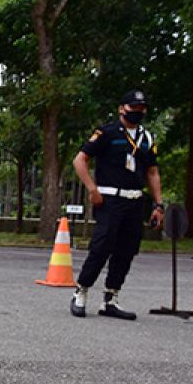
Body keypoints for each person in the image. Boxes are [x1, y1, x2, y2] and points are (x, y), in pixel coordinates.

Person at [70, 89, 165, 319]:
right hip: (110, 199)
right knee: (101, 247)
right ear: (122, 108)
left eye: (142, 108)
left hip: (134, 200)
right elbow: (80, 160)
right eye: (134, 107)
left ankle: (111, 298)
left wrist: (159, 204)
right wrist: (92, 189)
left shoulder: (147, 138)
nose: (138, 112)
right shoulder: (107, 132)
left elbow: (152, 172)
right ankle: (81, 291)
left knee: (126, 250)